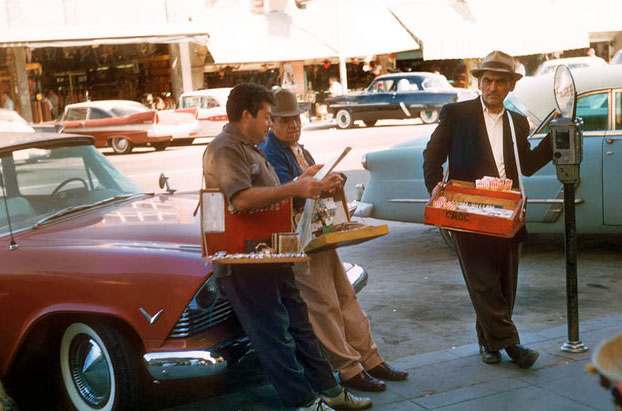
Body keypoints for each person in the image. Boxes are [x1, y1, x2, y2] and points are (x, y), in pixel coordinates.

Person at [202, 83, 372, 411]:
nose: (269, 124)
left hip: (274, 250)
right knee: (273, 337)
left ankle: (330, 391)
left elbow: (270, 193)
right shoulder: (225, 149)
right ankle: (304, 402)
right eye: (267, 116)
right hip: (245, 259)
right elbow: (240, 199)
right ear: (246, 114)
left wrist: (302, 179)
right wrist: (295, 186)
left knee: (300, 325)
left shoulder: (251, 147)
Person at [259, 87, 409, 392]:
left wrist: (331, 182)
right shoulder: (270, 152)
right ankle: (349, 368)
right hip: (299, 243)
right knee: (325, 305)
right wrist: (316, 183)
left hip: (319, 237)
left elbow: (311, 189)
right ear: (271, 121)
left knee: (345, 298)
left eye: (297, 119)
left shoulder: (297, 148)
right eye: (286, 120)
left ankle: (370, 359)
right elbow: (284, 197)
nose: (294, 125)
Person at [422, 50, 553, 369]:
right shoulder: (457, 114)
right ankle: (511, 345)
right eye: (488, 81)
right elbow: (432, 154)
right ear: (479, 82)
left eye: (500, 82)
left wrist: (556, 138)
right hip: (469, 210)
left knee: (504, 284)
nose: (493, 87)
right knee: (482, 281)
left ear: (510, 86)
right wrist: (435, 185)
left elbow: (529, 165)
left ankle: (488, 343)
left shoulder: (516, 121)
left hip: (507, 212)